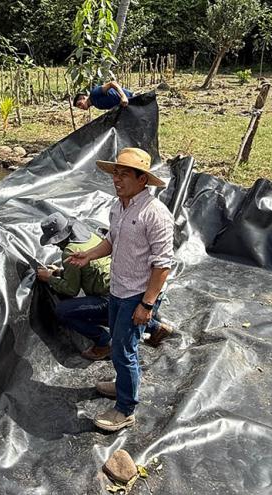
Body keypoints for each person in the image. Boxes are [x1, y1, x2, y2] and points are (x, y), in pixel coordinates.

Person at [67, 147, 174, 432]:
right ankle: (120, 385)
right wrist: (88, 255)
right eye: (116, 174)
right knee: (117, 343)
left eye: (124, 175)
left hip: (137, 294)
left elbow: (163, 265)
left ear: (143, 180)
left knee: (124, 351)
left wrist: (147, 305)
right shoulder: (118, 207)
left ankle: (125, 409)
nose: (117, 180)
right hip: (118, 288)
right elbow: (112, 241)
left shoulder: (156, 214)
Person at [37, 213, 173, 361]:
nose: (54, 245)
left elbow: (71, 289)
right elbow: (89, 270)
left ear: (59, 239)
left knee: (63, 311)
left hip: (111, 298)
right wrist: (59, 272)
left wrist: (49, 278)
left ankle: (103, 342)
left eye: (54, 242)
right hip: (129, 290)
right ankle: (155, 328)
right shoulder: (91, 237)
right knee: (116, 312)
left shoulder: (70, 251)